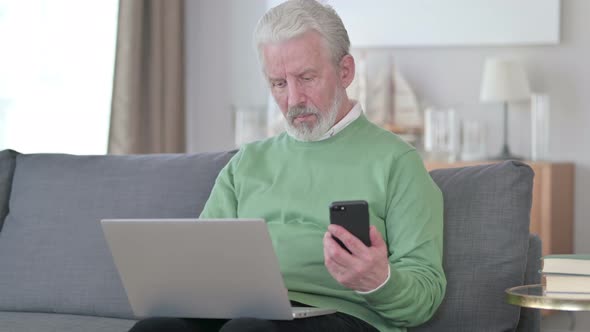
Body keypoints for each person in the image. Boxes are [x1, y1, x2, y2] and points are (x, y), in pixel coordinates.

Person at [129, 0, 445, 331]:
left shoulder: (398, 162)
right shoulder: (246, 163)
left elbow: (424, 299)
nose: (293, 100)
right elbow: (203, 263)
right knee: (155, 328)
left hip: (345, 316)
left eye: (306, 78)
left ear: (345, 71)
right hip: (245, 310)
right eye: (279, 84)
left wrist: (378, 280)